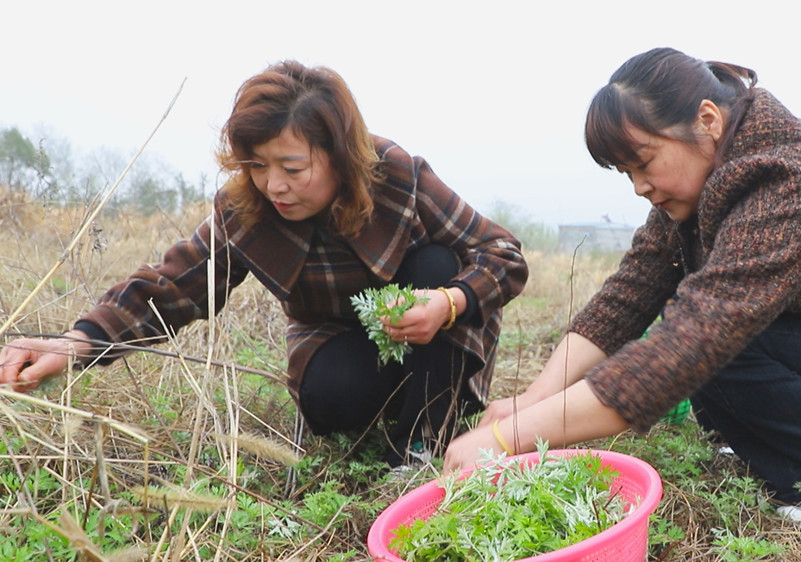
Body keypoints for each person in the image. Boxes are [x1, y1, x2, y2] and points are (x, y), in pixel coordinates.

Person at [443, 47, 801, 522]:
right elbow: (627, 295)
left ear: (707, 119)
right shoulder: (715, 172)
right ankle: (785, 447)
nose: (639, 187)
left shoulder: (790, 184)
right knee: (698, 328)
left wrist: (502, 441)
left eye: (643, 162)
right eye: (625, 174)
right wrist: (533, 402)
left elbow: (694, 342)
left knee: (713, 342)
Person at [0, 60, 528, 469]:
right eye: (256, 165)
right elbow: (172, 287)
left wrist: (449, 303)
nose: (274, 185)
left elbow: (503, 254)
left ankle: (422, 446)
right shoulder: (246, 210)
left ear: (338, 155)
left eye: (292, 167)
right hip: (338, 343)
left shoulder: (394, 176)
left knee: (436, 262)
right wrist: (75, 343)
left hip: (437, 336)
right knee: (329, 397)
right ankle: (389, 416)